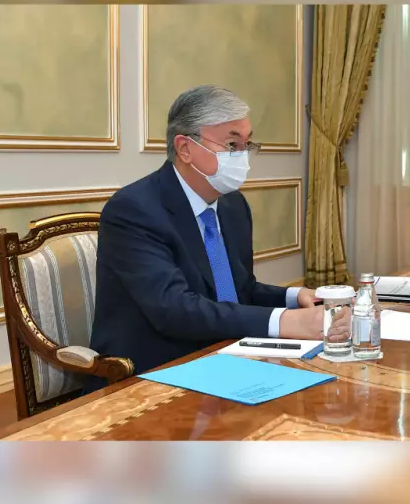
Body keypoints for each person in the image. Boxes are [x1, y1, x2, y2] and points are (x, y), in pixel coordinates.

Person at [87, 85, 334, 386]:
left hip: (226, 356)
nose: (242, 156)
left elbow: (238, 290)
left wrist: (293, 297)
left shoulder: (232, 205)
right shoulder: (134, 210)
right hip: (151, 374)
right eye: (231, 144)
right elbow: (174, 310)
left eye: (246, 144)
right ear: (185, 148)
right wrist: (283, 321)